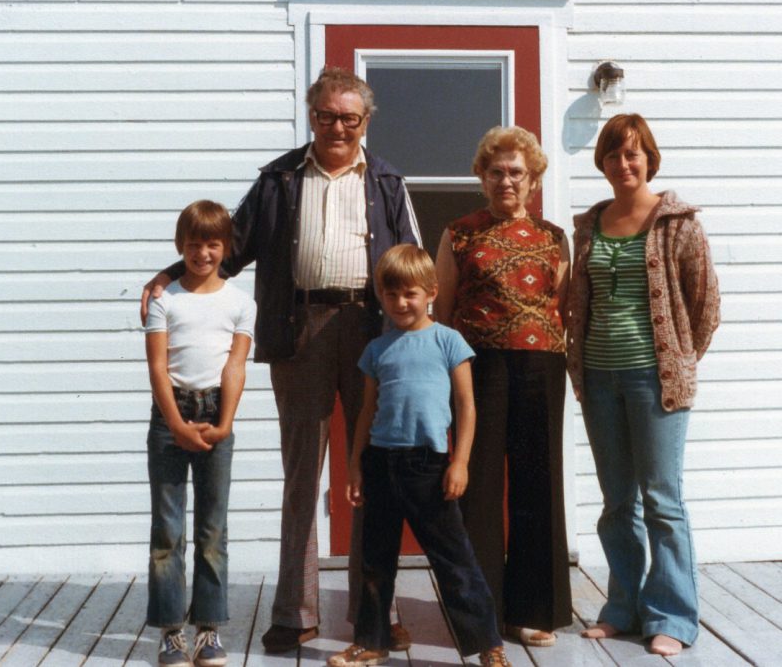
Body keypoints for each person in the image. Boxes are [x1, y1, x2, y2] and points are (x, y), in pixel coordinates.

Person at [141, 68, 421, 654]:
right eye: (326, 115)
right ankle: (296, 613)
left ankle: (376, 610)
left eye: (349, 117)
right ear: (311, 115)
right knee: (302, 477)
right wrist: (169, 274)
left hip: (373, 332)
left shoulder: (388, 181)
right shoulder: (278, 179)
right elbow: (229, 246)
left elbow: (413, 261)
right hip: (300, 334)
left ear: (365, 121)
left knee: (374, 472)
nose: (337, 126)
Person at [566, 113, 720, 656]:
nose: (623, 164)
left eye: (633, 154)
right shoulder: (589, 224)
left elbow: (706, 306)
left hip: (655, 382)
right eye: (613, 155)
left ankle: (672, 618)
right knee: (616, 503)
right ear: (602, 163)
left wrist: (676, 360)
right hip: (599, 378)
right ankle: (622, 608)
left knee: (662, 501)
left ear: (649, 158)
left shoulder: (676, 222)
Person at [329, 244, 510, 667]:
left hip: (428, 466)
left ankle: (488, 644)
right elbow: (366, 413)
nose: (400, 303)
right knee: (375, 561)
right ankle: (372, 640)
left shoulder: (449, 341)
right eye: (391, 295)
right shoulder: (377, 349)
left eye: (410, 293)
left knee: (454, 559)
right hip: (381, 463)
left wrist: (460, 461)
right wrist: (355, 464)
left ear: (431, 291)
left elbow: (466, 406)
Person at [433, 126, 572, 647]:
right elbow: (443, 311)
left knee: (540, 483)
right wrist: (448, 373)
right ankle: (479, 612)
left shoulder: (553, 237)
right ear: (481, 176)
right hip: (479, 368)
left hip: (541, 366)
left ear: (533, 179)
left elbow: (561, 307)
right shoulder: (459, 233)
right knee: (479, 486)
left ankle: (534, 610)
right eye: (497, 171)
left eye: (517, 172)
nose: (506, 180)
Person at [144, 200, 257, 667]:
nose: (203, 253)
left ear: (226, 247)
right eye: (194, 244)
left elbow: (235, 364)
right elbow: (157, 365)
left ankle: (208, 630)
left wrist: (225, 423)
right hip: (171, 414)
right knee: (168, 530)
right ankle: (172, 631)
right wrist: (174, 423)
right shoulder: (163, 299)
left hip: (216, 414)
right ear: (180, 247)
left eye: (213, 244)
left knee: (213, 529)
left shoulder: (240, 301)